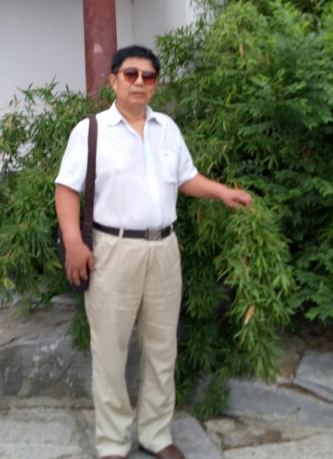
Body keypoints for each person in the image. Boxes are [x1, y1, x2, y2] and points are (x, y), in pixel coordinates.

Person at [55, 45, 252, 459]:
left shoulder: (167, 129)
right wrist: (73, 243)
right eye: (131, 74)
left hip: (164, 249)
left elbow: (186, 177)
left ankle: (156, 435)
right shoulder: (90, 131)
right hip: (112, 251)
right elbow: (67, 189)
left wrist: (222, 192)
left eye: (148, 76)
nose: (139, 82)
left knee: (163, 348)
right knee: (110, 351)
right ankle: (112, 443)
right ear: (113, 80)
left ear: (156, 84)